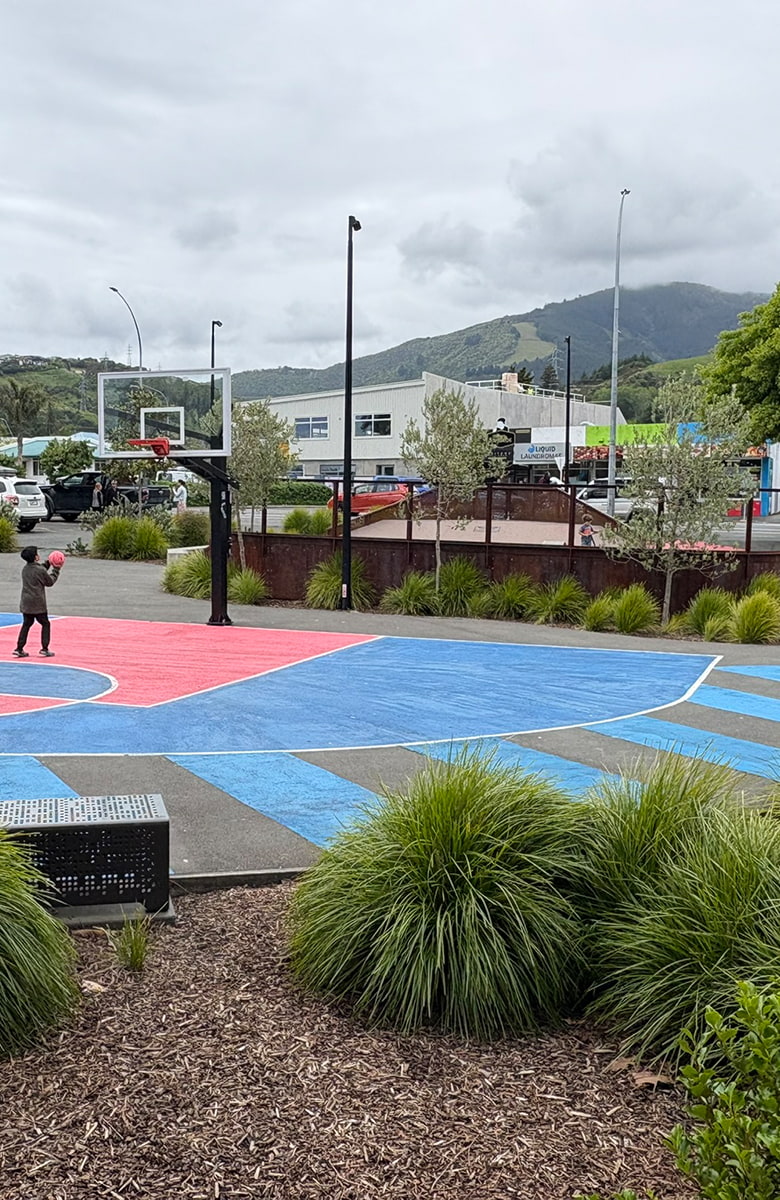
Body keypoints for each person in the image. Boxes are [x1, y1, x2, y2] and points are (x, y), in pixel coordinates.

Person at [13, 546, 62, 658]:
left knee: (26, 624)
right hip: (38, 604)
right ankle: (44, 648)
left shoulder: (25, 569)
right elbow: (49, 581)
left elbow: (39, 570)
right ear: (36, 557)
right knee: (45, 623)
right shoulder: (40, 570)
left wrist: (48, 563)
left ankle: (19, 648)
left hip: (26, 603)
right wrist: (56, 569)